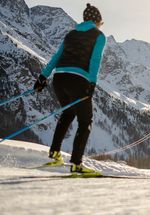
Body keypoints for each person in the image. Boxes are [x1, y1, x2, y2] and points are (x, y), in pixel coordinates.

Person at [33, 3, 106, 173]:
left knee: (68, 113)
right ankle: (76, 163)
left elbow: (57, 56)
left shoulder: (70, 34)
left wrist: (42, 77)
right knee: (85, 120)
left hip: (59, 79)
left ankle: (55, 154)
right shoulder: (99, 36)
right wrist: (92, 83)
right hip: (78, 80)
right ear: (97, 21)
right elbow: (95, 61)